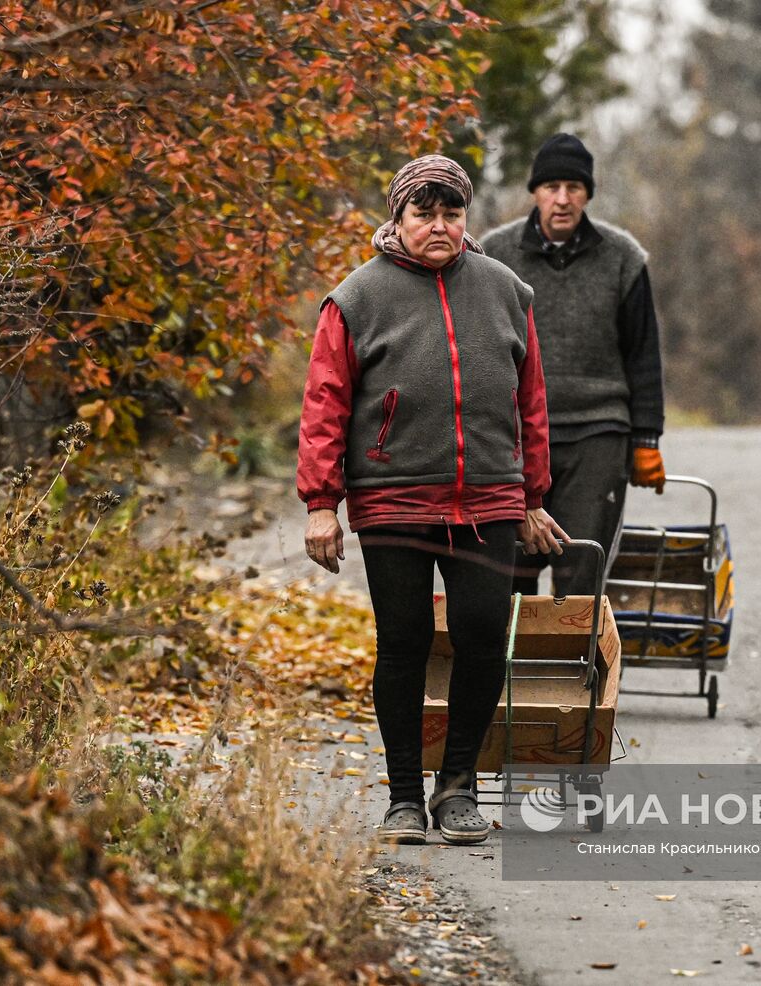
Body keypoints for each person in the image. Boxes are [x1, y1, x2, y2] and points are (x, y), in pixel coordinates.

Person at [297, 154, 567, 847]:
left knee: (481, 638)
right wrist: (321, 503)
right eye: (425, 213)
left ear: (465, 218)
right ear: (399, 217)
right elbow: (324, 406)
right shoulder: (355, 299)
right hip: (393, 498)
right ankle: (405, 799)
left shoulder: (506, 290)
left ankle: (458, 792)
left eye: (451, 213)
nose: (440, 226)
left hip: (489, 500)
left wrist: (533, 495)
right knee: (405, 643)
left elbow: (529, 402)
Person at [481, 133, 666, 598]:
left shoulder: (623, 258)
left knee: (582, 567)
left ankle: (576, 669)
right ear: (534, 192)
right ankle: (508, 670)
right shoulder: (493, 255)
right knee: (508, 573)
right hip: (514, 434)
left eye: (574, 187)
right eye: (551, 187)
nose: (562, 199)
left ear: (588, 193)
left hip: (598, 431)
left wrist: (646, 439)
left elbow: (642, 353)